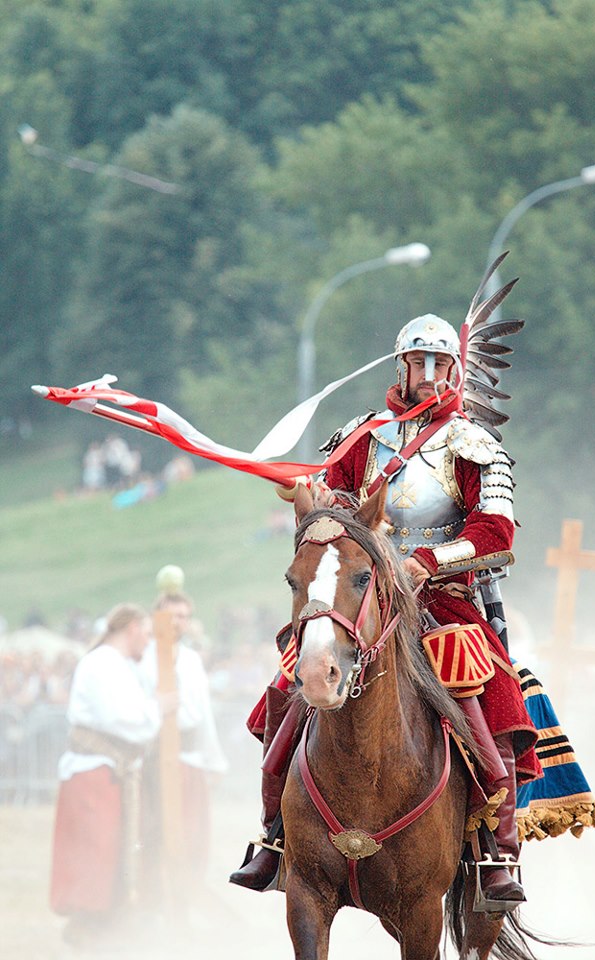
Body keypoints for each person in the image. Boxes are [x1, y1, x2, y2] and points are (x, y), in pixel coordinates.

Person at [230, 295, 547, 911]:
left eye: (438, 363)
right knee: (295, 673)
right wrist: (308, 494)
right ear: (399, 367)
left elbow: (496, 532)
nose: (427, 374)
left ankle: (495, 851)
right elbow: (334, 506)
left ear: (454, 369)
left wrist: (426, 561)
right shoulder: (362, 435)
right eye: (416, 362)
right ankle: (274, 833)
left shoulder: (472, 444)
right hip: (362, 589)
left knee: (482, 686)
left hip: (439, 596)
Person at [49, 603, 174, 947]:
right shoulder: (101, 664)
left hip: (108, 772)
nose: (147, 641)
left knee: (112, 848)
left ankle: (108, 922)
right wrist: (157, 709)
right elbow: (121, 719)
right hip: (95, 771)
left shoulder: (116, 664)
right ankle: (88, 924)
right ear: (131, 628)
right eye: (145, 633)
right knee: (95, 850)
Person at [137, 569, 228, 917]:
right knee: (152, 831)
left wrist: (213, 761)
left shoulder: (190, 660)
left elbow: (202, 715)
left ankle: (185, 901)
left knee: (192, 834)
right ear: (158, 617)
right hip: (153, 759)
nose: (179, 623)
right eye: (173, 616)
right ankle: (152, 902)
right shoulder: (144, 657)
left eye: (185, 616)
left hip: (188, 759)